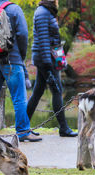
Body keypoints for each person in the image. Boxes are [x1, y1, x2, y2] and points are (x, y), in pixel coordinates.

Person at [0, 0, 41, 142]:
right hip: (12, 60)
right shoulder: (14, 9)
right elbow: (23, 34)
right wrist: (21, 56)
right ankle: (23, 131)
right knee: (19, 98)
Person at [27, 0, 77, 137]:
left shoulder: (46, 11)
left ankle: (23, 127)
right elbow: (43, 40)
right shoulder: (43, 12)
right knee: (57, 90)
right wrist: (48, 63)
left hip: (46, 57)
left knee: (37, 92)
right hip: (46, 59)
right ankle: (64, 128)